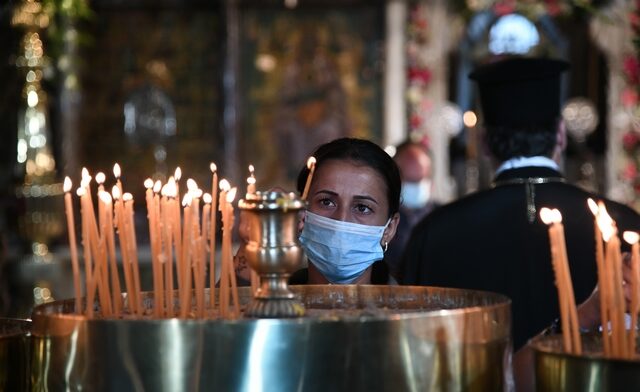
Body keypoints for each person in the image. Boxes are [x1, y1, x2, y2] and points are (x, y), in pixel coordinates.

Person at [400, 57, 640, 351]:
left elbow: (412, 344)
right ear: (561, 135)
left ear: (485, 142)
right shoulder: (623, 224)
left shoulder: (435, 232)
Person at [235, 137, 401, 285]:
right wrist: (252, 244)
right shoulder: (274, 304)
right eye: (326, 202)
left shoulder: (408, 312)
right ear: (299, 212)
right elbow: (228, 312)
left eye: (362, 208)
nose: (341, 221)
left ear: (389, 228)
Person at [386, 140, 439, 282]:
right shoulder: (380, 220)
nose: (413, 187)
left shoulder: (446, 220)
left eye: (418, 181)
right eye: (408, 181)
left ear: (430, 181)